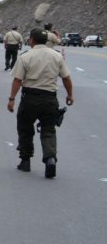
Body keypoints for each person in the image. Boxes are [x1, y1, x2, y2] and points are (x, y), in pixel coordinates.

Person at [8, 28, 74, 178]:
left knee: (25, 128)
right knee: (48, 130)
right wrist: (70, 95)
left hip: (30, 98)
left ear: (32, 40)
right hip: (49, 99)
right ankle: (50, 159)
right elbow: (66, 78)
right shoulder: (57, 56)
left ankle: (25, 161)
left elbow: (18, 80)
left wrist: (12, 99)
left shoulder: (26, 56)